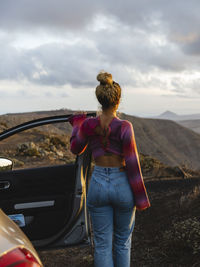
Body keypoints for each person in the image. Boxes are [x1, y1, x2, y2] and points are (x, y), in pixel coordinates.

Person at [68, 71, 150, 267]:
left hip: (97, 184)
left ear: (100, 99)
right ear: (118, 100)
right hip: (121, 184)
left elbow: (75, 148)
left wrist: (77, 124)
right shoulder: (125, 127)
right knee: (122, 243)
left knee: (103, 245)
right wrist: (140, 198)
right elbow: (132, 164)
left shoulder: (88, 125)